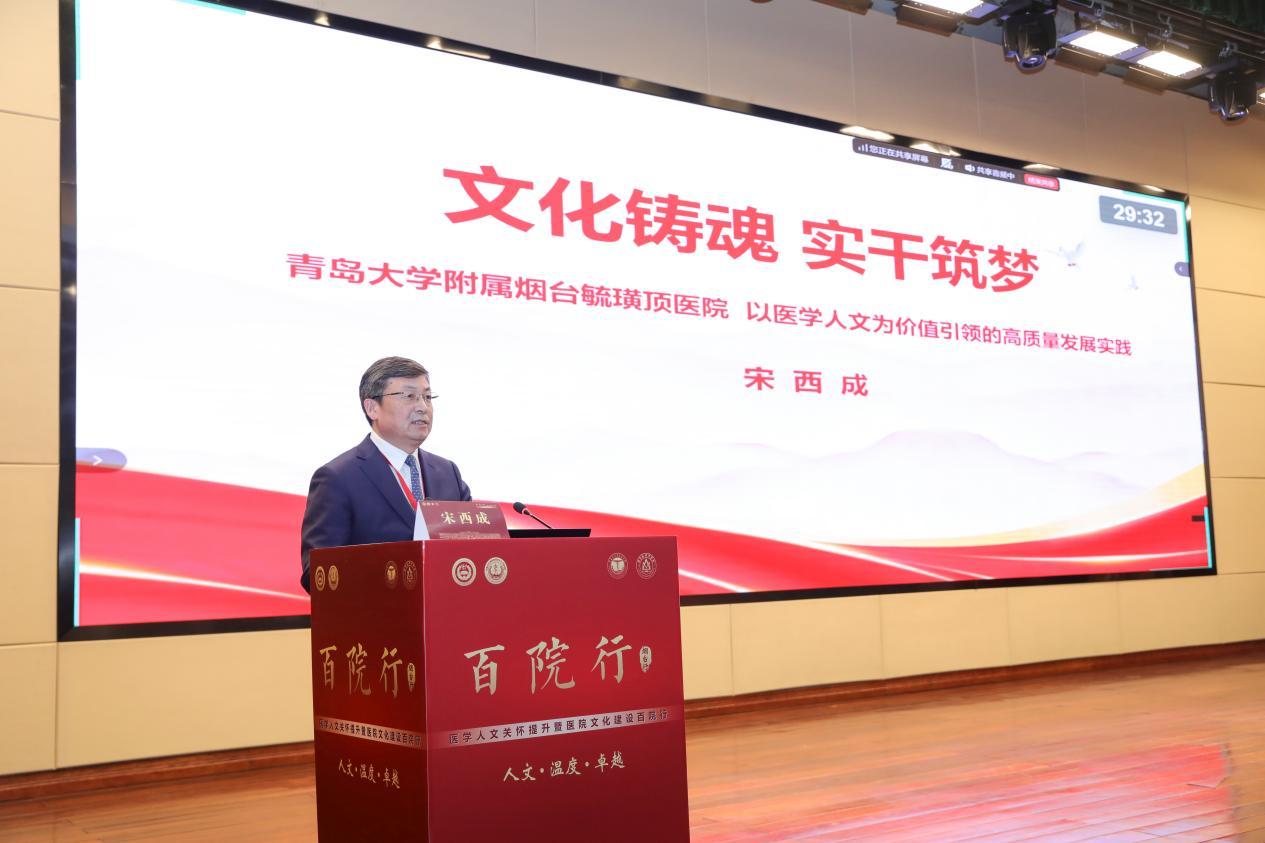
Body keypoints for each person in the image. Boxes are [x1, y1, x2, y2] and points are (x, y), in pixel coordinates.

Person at [299, 356, 471, 592]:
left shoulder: (448, 473)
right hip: (375, 613)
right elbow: (316, 574)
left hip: (444, 611)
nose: (422, 406)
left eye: (427, 397)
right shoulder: (338, 478)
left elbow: (473, 550)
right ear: (372, 408)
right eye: (409, 396)